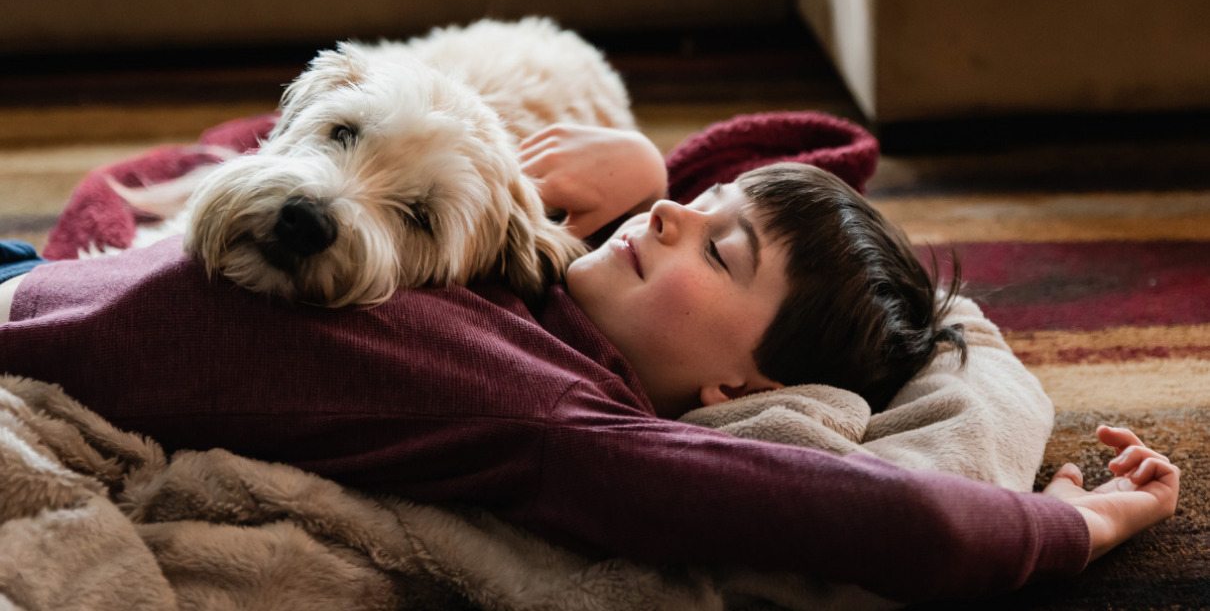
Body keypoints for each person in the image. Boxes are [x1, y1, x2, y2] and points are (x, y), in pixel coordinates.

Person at [0, 125, 1180, 603]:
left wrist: (1077, 527)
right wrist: (631, 168)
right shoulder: (526, 275)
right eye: (689, 204)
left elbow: (904, 525)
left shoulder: (557, 418)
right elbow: (793, 153)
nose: (668, 217)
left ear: (740, 394)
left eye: (717, 249)